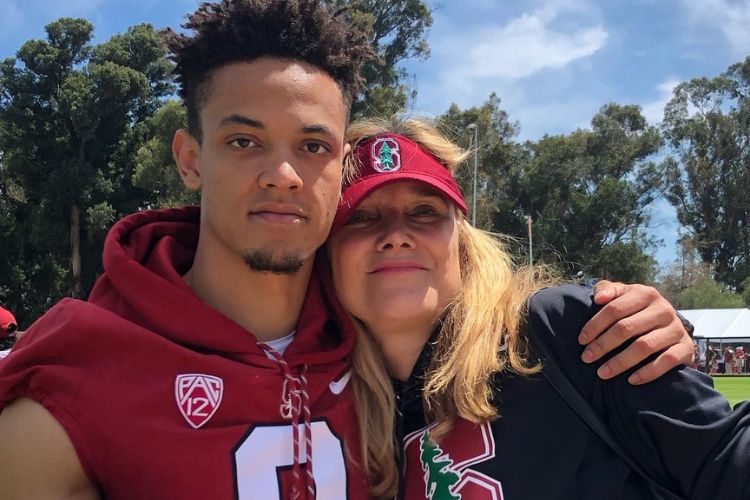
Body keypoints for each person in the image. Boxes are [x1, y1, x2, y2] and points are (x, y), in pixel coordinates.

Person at [0, 2, 694, 499]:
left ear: (337, 170)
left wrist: (633, 323)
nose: (282, 173)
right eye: (243, 141)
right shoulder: (83, 372)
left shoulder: (372, 340)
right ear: (189, 158)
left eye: (313, 146)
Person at [327, 117, 750, 499]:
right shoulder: (326, 411)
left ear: (462, 242)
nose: (396, 235)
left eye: (425, 212)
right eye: (362, 217)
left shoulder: (564, 328)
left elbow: (726, 460)